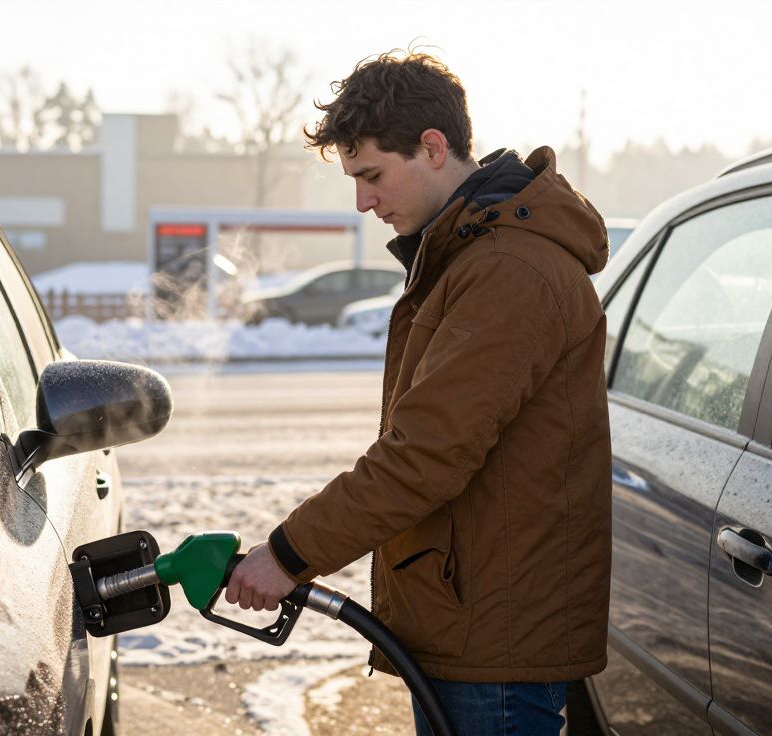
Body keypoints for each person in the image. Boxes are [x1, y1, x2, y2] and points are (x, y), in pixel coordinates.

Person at [224, 49, 612, 735]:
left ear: (432, 148)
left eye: (372, 175)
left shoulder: (507, 269)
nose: (362, 200)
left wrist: (288, 554)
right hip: (471, 619)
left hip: (494, 643)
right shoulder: (468, 256)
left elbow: (425, 453)